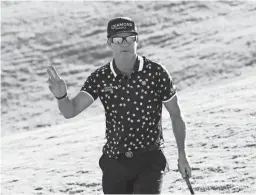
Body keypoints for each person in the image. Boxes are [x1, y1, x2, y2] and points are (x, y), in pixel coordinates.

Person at [47, 16, 192, 194]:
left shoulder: (156, 73)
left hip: (150, 159)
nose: (124, 43)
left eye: (129, 38)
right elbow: (71, 111)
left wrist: (182, 155)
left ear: (136, 40)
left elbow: (176, 114)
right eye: (118, 39)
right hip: (114, 162)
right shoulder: (100, 77)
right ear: (110, 43)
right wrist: (61, 96)